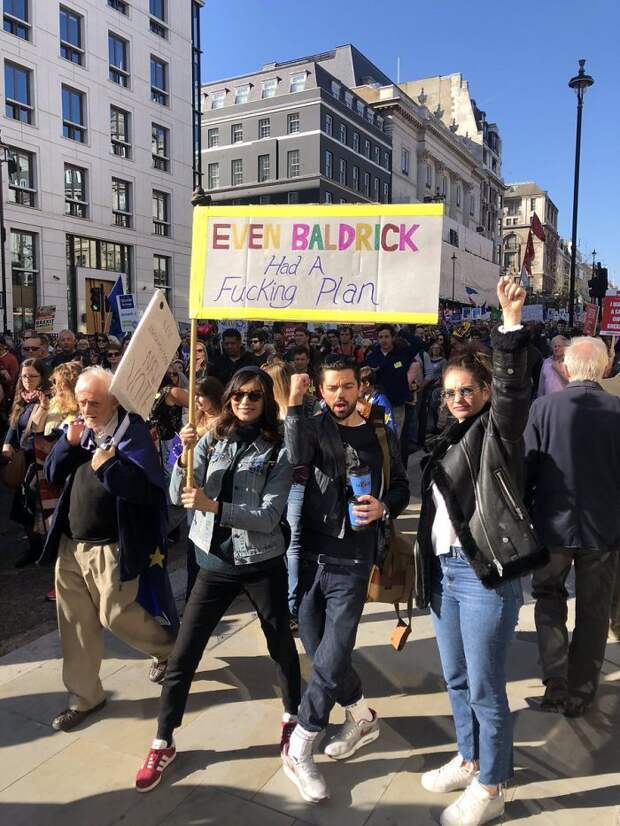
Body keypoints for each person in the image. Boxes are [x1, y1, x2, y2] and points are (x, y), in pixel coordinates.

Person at [135, 366, 300, 792]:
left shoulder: (278, 449)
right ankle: (162, 738)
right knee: (185, 654)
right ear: (228, 399)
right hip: (213, 563)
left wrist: (213, 506)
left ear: (266, 402)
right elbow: (177, 497)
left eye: (255, 396)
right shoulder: (213, 438)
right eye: (239, 395)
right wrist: (182, 456)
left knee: (280, 643)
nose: (245, 402)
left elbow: (268, 517)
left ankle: (292, 718)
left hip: (261, 561)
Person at [415, 277, 537, 826]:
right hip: (445, 574)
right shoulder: (448, 435)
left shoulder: (498, 432)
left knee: (487, 689)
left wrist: (509, 323)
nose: (458, 398)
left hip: (485, 574)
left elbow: (515, 396)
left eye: (468, 389)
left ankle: (494, 784)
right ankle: (470, 758)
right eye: (450, 391)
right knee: (457, 677)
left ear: (485, 392)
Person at [281, 357, 409, 803]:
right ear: (321, 389)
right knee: (319, 648)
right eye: (332, 388)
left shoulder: (380, 433)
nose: (340, 395)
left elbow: (401, 487)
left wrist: (384, 508)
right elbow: (297, 460)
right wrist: (294, 406)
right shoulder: (314, 427)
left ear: (360, 387)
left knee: (334, 650)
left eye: (348, 387)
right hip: (312, 551)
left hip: (354, 556)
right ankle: (360, 715)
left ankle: (300, 743)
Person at [40, 366, 176, 732]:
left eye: (95, 402)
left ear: (114, 399)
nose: (87, 408)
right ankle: (85, 697)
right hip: (71, 544)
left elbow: (149, 492)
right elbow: (52, 475)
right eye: (82, 401)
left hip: (112, 548)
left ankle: (168, 649)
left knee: (115, 615)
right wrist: (67, 445)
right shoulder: (78, 431)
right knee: (75, 624)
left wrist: (110, 466)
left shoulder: (132, 434)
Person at [525, 336, 620, 718]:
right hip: (603, 529)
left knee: (548, 597)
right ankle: (580, 690)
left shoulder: (543, 408)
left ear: (566, 368)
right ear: (604, 369)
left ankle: (556, 681)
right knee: (594, 609)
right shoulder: (616, 411)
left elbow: (526, 468)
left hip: (552, 525)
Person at [263, 359, 320, 628]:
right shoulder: (266, 412)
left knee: (294, 543)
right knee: (277, 541)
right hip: (272, 484)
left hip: (298, 482)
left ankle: (292, 607)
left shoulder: (306, 407)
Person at [2, 358, 52, 567]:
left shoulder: (47, 398)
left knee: (37, 506)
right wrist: (7, 443)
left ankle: (45, 550)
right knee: (23, 508)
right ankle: (33, 549)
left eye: (32, 376)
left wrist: (43, 407)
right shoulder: (21, 396)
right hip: (22, 458)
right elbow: (14, 423)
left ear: (42, 378)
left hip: (38, 458)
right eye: (24, 376)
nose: (27, 380)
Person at [184, 376, 225, 601]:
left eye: (201, 395)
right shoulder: (193, 420)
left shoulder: (224, 422)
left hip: (214, 488)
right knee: (194, 544)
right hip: (194, 485)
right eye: (195, 396)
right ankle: (193, 594)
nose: (197, 400)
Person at [358, 365, 396, 433]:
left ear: (367, 383)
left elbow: (390, 425)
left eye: (359, 384)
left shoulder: (382, 401)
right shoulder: (361, 398)